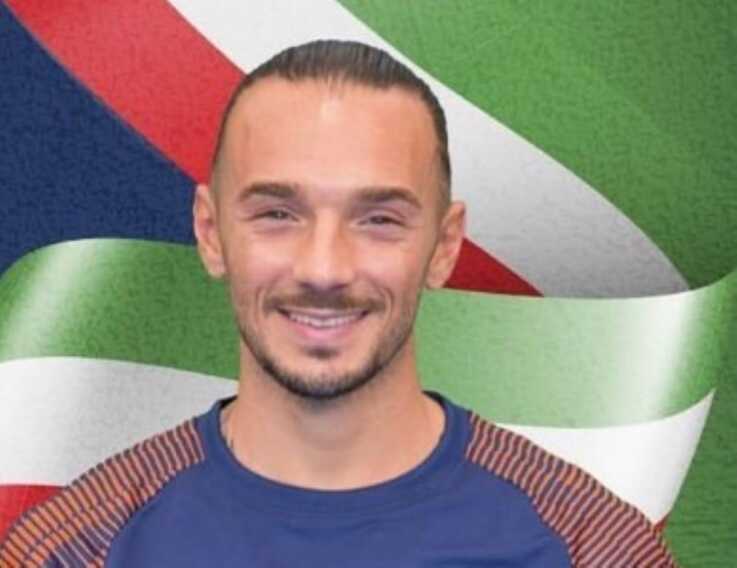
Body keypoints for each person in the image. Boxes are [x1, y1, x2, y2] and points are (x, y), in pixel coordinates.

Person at [0, 40, 676, 567]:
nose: (324, 268)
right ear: (210, 233)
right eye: (277, 214)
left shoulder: (592, 546)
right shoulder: (74, 549)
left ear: (443, 247)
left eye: (378, 219)